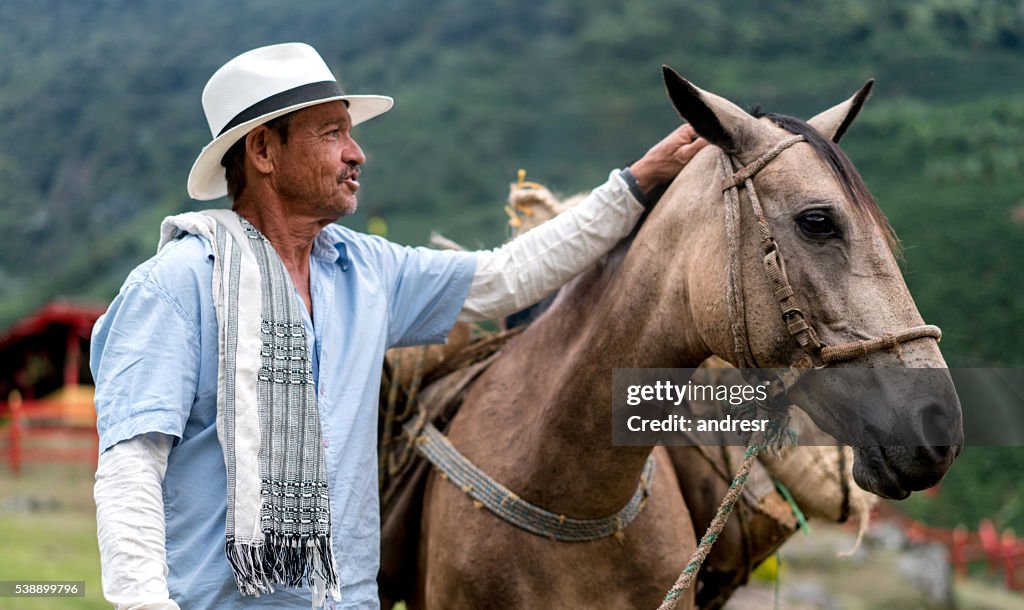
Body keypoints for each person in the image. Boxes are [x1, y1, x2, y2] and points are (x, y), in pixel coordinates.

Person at [91, 42, 706, 610]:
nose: (357, 153)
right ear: (263, 152)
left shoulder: (365, 271)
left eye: (349, 134)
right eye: (332, 134)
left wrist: (636, 182)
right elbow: (131, 470)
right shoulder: (175, 287)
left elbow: (505, 277)